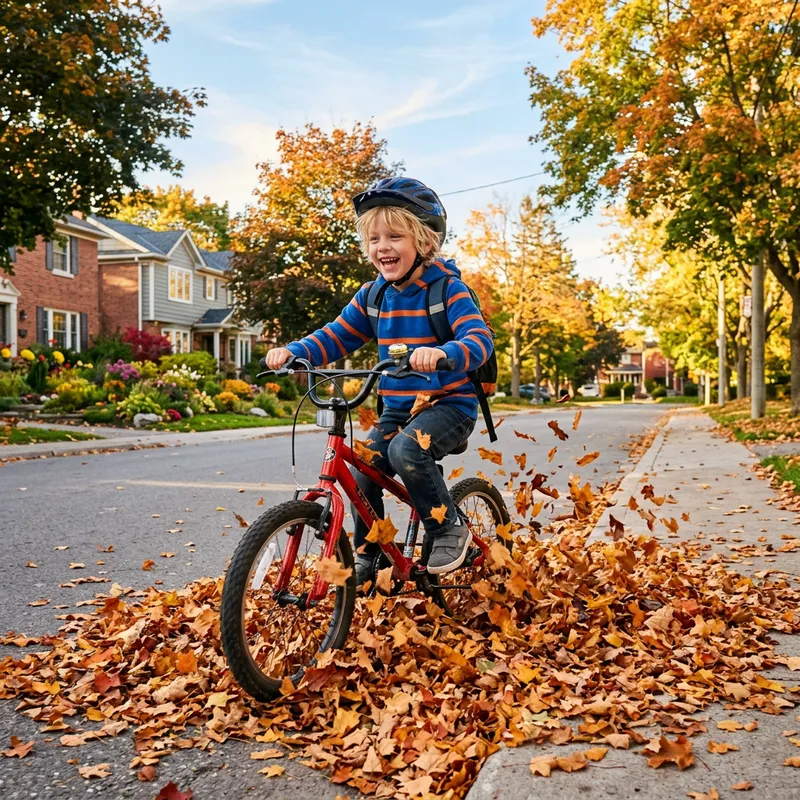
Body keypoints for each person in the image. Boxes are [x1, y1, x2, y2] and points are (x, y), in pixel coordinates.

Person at [264, 177, 493, 585]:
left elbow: (478, 340)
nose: (381, 246)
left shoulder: (447, 290)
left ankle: (446, 528)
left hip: (448, 406)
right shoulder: (374, 296)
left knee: (408, 449)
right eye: (373, 238)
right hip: (396, 409)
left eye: (394, 236)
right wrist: (296, 352)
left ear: (423, 241)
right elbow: (336, 334)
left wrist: (444, 353)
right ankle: (373, 551)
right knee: (362, 468)